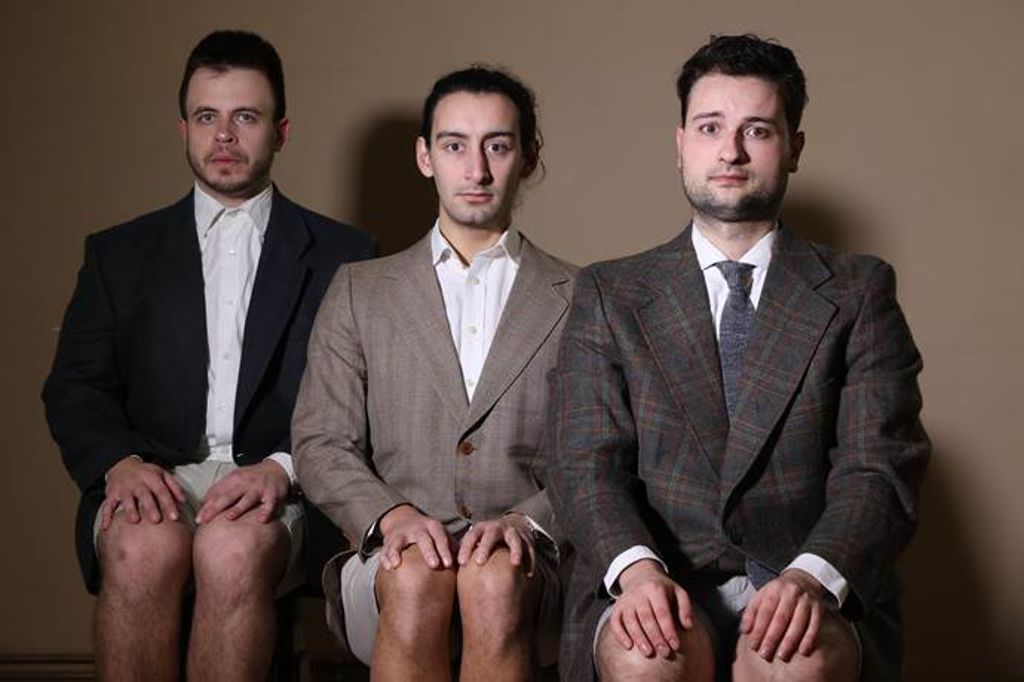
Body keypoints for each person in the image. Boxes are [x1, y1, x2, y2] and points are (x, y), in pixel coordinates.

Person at [550, 34, 930, 682]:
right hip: (656, 575)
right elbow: (583, 464)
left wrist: (812, 578)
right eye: (710, 128)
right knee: (645, 659)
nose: (730, 151)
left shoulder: (860, 290)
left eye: (757, 129)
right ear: (680, 144)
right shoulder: (610, 292)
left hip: (803, 578)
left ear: (794, 148)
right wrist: (636, 572)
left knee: (794, 662)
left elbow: (880, 466)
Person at [43, 30, 375, 682]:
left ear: (281, 132)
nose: (223, 135)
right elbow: (74, 387)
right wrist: (119, 463)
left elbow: (361, 398)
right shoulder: (118, 253)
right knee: (140, 550)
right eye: (206, 117)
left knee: (231, 550)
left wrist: (284, 467)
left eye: (245, 117)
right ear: (183, 129)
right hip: (152, 471)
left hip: (284, 480)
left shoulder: (346, 255)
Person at [292, 66, 575, 682]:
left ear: (528, 157)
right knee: (416, 574)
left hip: (531, 563)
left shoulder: (580, 297)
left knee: (495, 578)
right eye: (454, 146)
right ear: (425, 157)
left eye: (497, 146)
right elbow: (321, 441)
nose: (476, 170)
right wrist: (390, 516)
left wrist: (526, 522)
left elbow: (596, 453)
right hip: (388, 554)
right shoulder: (359, 291)